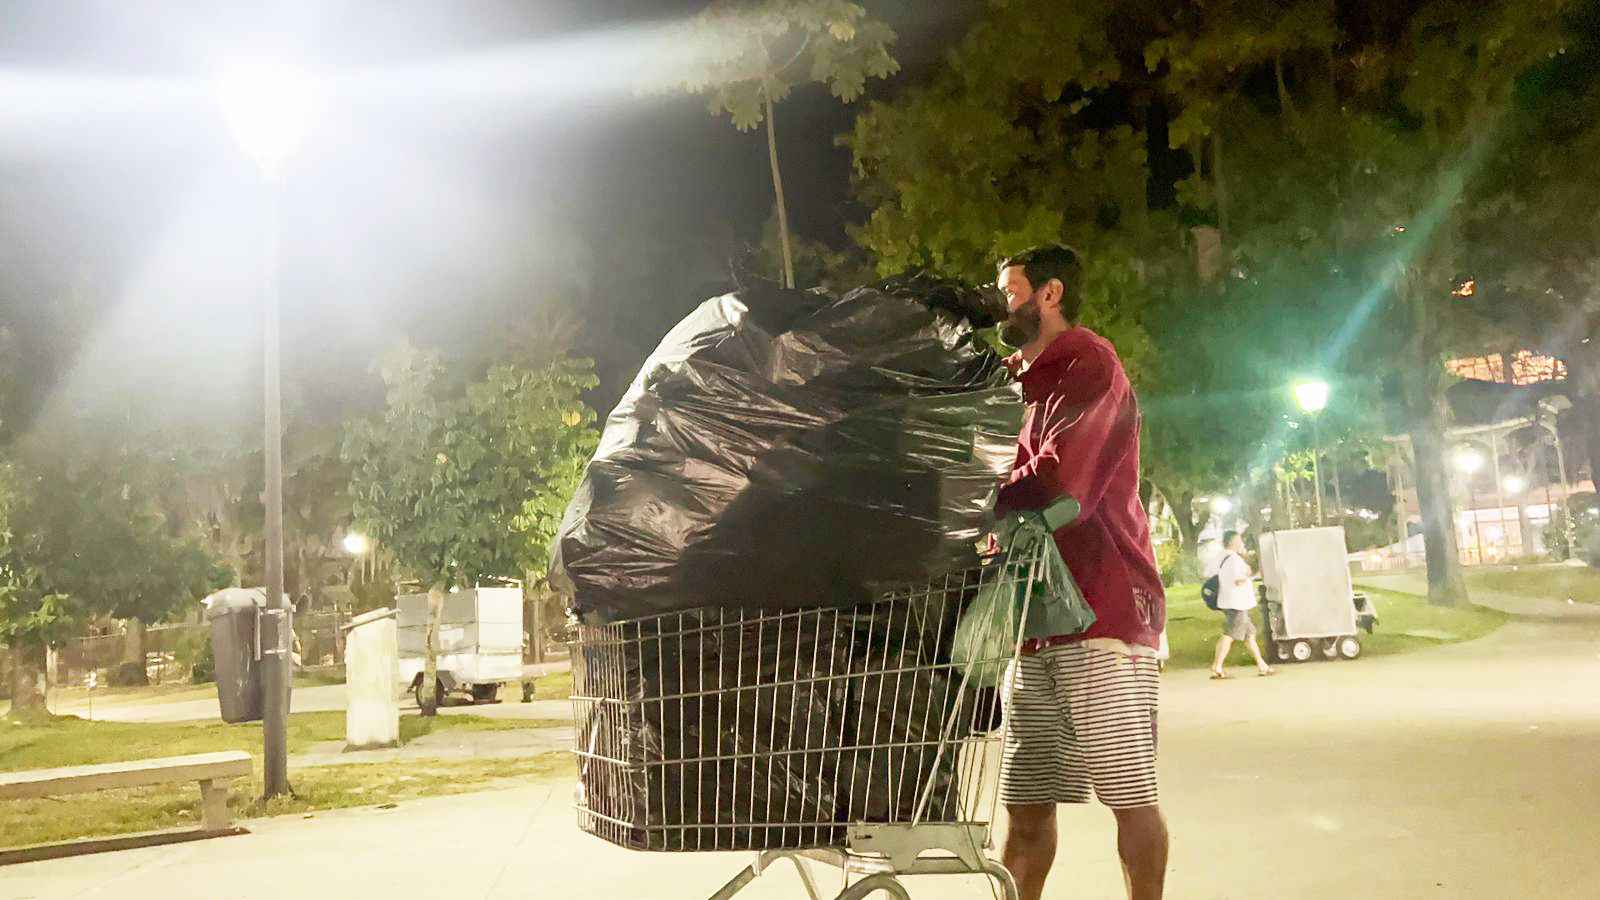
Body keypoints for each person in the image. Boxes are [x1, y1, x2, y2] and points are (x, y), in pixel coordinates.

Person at [990, 244, 1168, 900]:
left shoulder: (1089, 363)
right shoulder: (1012, 379)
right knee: (1027, 808)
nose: (1000, 303)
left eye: (1010, 290)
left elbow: (1066, 482)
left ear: (1050, 294)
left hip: (1101, 607)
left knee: (1129, 792)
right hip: (1033, 618)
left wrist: (978, 501)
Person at [1206, 530, 1274, 679]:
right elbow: (1238, 580)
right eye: (1239, 539)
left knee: (1250, 634)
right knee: (1230, 634)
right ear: (1233, 542)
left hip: (1228, 601)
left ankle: (1262, 665)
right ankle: (1217, 666)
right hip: (1237, 603)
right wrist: (1249, 573)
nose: (1242, 542)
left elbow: (1209, 573)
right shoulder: (1234, 559)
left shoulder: (1221, 557)